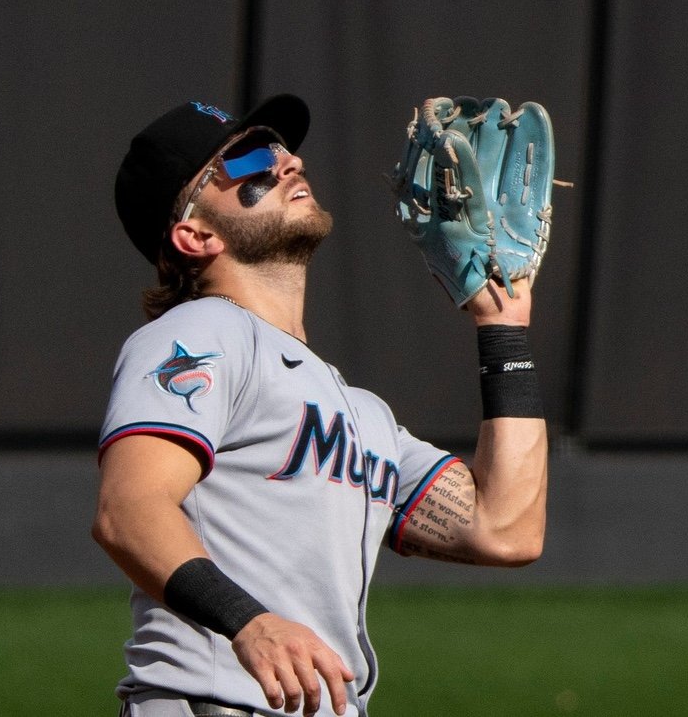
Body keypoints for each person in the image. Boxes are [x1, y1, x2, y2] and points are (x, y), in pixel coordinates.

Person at [93, 94, 548, 717]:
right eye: (247, 158)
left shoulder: (363, 415)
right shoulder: (199, 333)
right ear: (195, 235)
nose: (286, 161)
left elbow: (505, 530)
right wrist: (248, 621)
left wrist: (504, 328)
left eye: (280, 148)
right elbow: (127, 509)